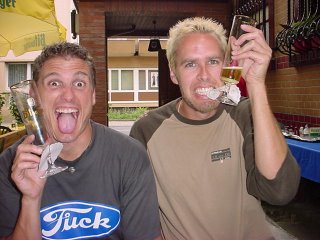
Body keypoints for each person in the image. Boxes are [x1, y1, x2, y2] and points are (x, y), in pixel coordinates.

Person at [130, 17, 300, 239]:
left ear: (227, 65)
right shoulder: (147, 130)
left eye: (213, 61)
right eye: (190, 64)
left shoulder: (246, 114)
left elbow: (279, 191)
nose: (203, 75)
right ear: (173, 73)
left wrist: (256, 84)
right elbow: (140, 213)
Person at [0, 42, 161, 240]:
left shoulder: (129, 157)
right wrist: (30, 200)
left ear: (93, 95)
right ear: (34, 96)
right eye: (54, 83)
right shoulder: (11, 165)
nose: (68, 96)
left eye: (79, 84)